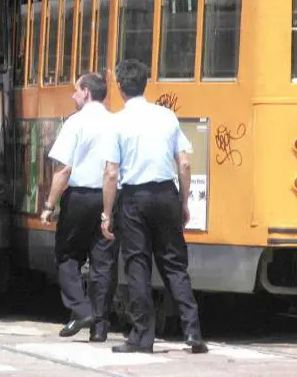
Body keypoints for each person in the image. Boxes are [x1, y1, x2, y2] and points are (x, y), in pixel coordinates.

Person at [100, 59, 208, 354]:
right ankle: (193, 332)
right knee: (174, 264)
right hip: (166, 194)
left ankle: (141, 337)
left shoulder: (117, 122)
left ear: (120, 87)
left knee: (138, 265)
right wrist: (183, 202)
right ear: (145, 84)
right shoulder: (167, 116)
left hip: (134, 198)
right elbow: (184, 163)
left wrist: (106, 214)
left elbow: (111, 172)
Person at [41, 72, 118, 341]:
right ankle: (100, 326)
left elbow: (63, 170)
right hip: (109, 198)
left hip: (79, 198)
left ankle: (81, 308)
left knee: (67, 255)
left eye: (75, 90)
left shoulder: (76, 123)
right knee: (103, 262)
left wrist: (49, 205)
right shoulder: (115, 122)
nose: (73, 95)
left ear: (86, 92)